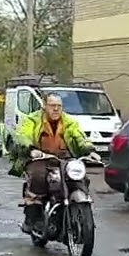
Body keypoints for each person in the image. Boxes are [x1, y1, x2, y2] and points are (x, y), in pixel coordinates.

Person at [9, 93, 93, 233]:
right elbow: (22, 135)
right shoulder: (32, 120)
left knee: (80, 176)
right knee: (38, 177)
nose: (56, 109)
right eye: (52, 106)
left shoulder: (68, 121)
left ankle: (80, 212)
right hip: (40, 157)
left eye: (59, 106)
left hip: (64, 158)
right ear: (44, 107)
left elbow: (79, 136)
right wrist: (30, 149)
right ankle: (33, 219)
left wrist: (88, 149)